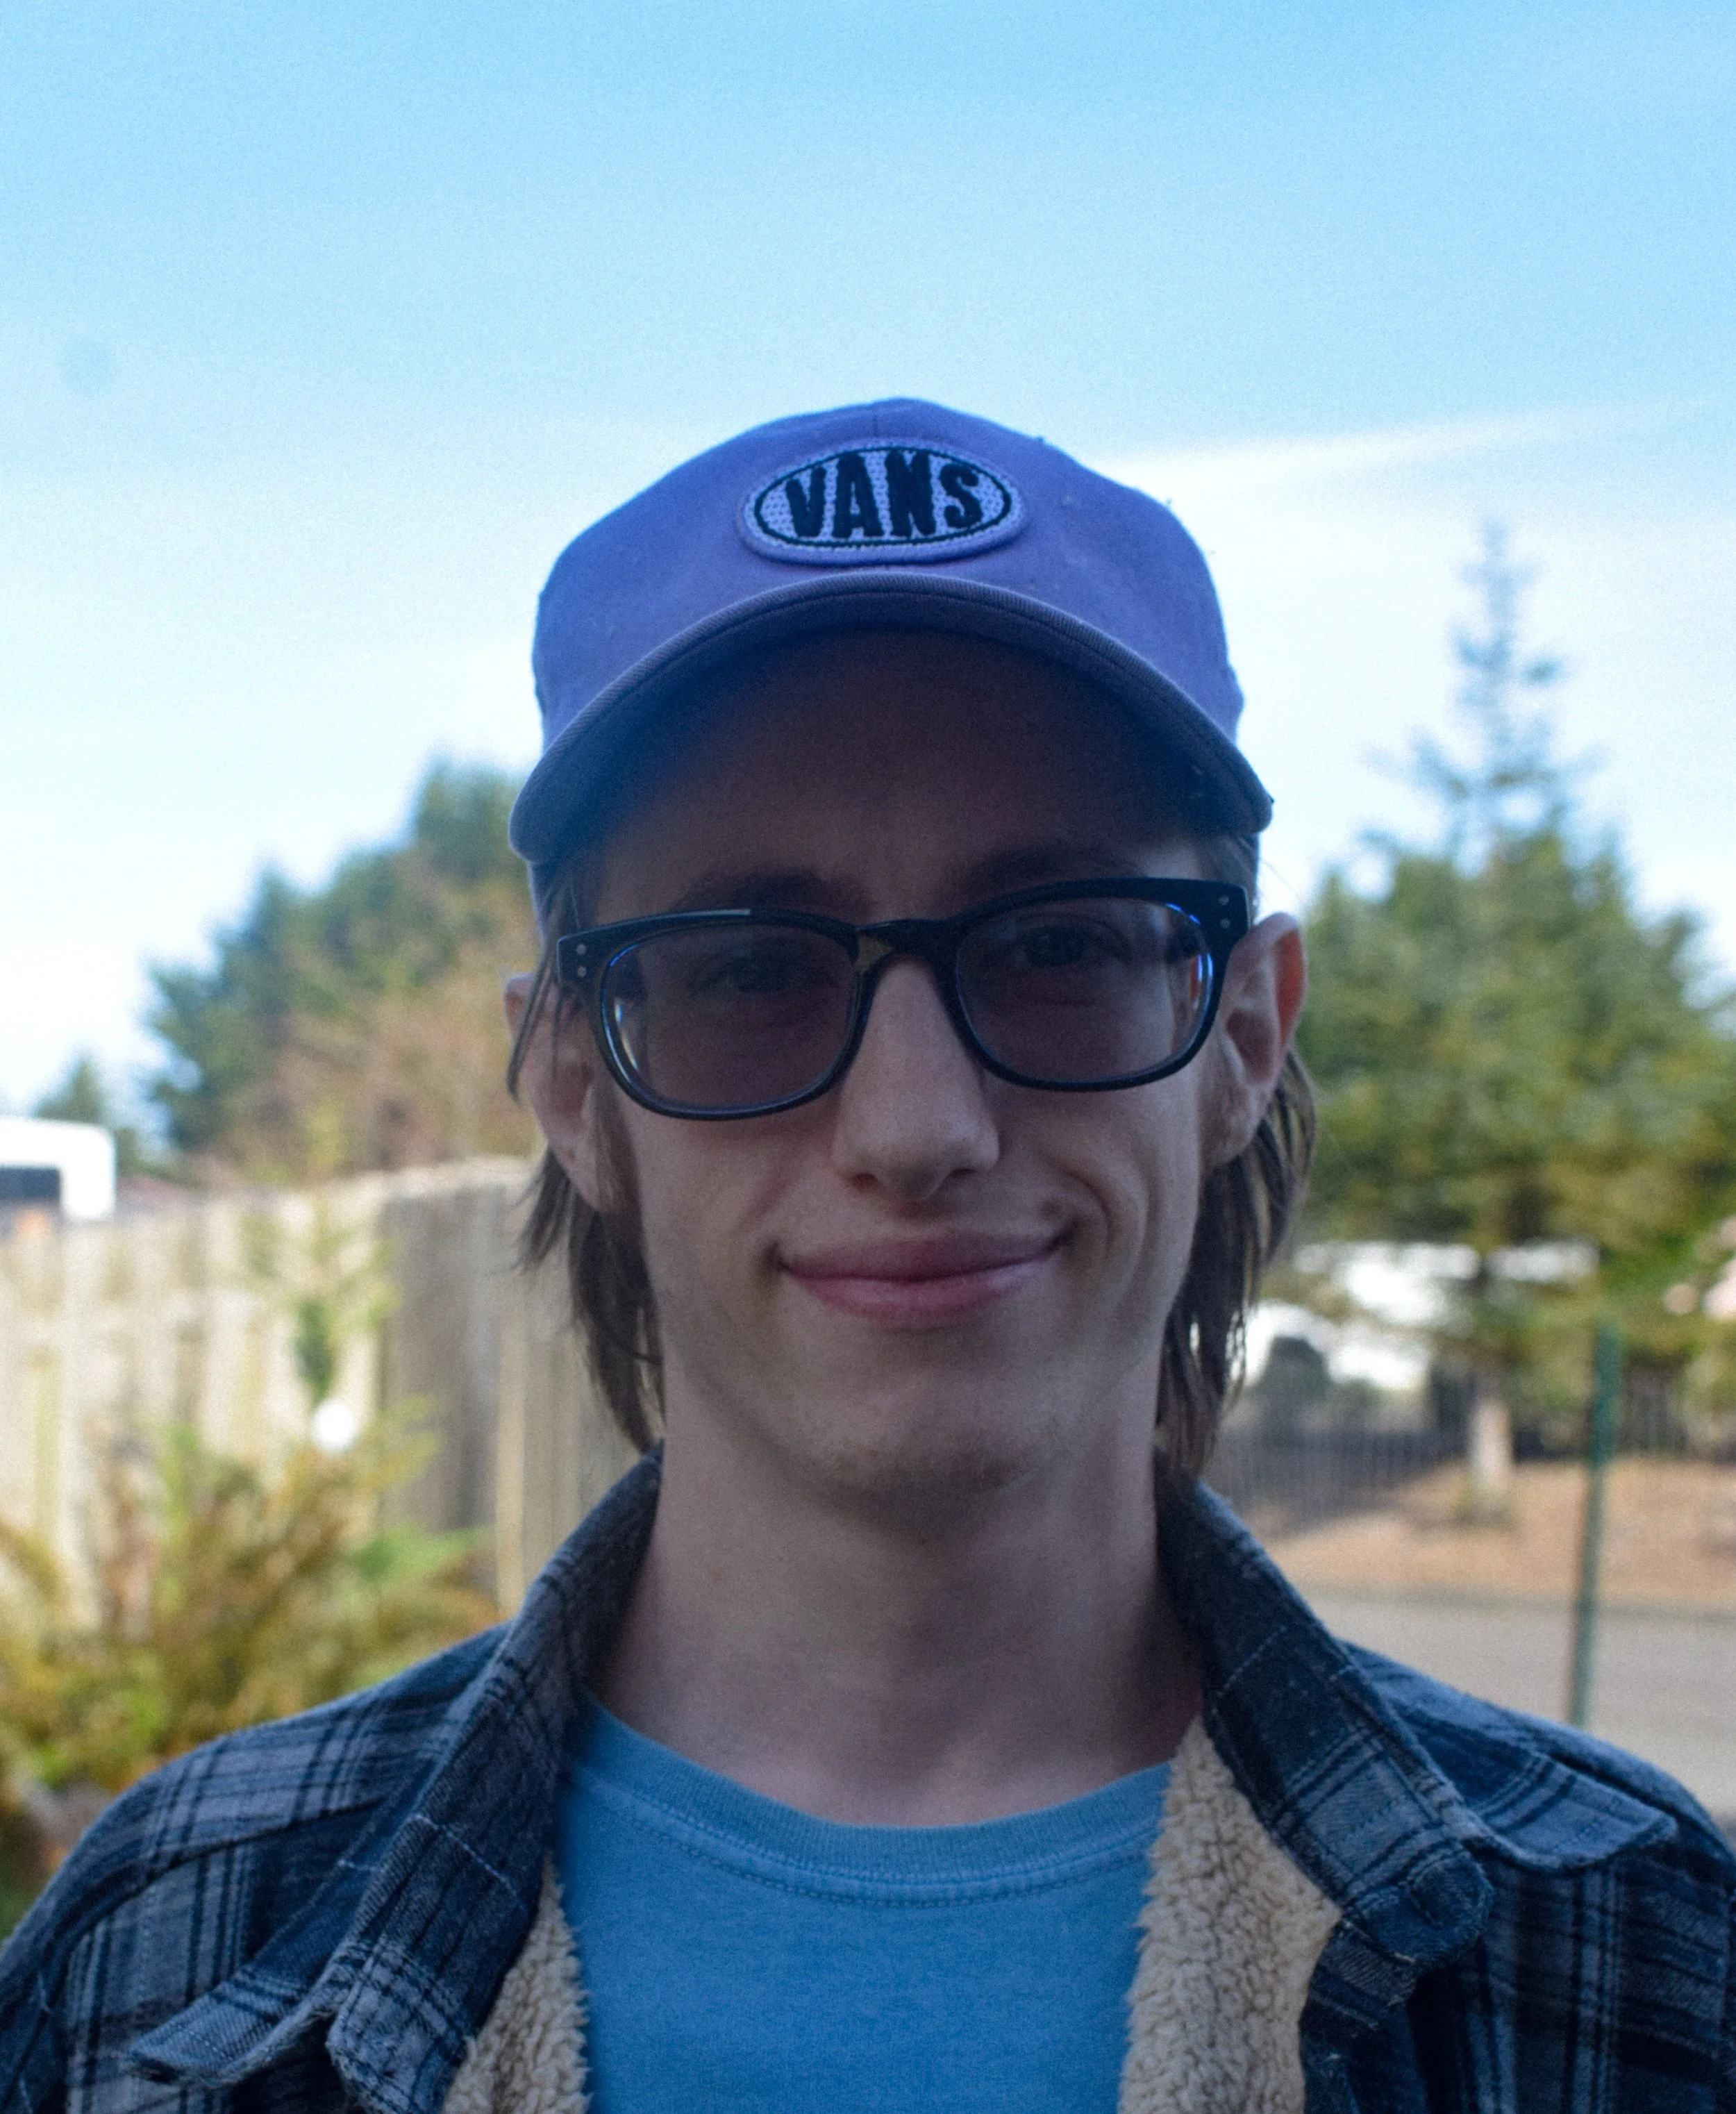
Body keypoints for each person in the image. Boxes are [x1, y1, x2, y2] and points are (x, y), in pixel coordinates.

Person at [3, 401, 1731, 2113]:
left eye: (1054, 945)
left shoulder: (1638, 1960)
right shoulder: (158, 1964)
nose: (916, 1123)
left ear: (1244, 1036)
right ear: (566, 1082)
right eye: (749, 971)